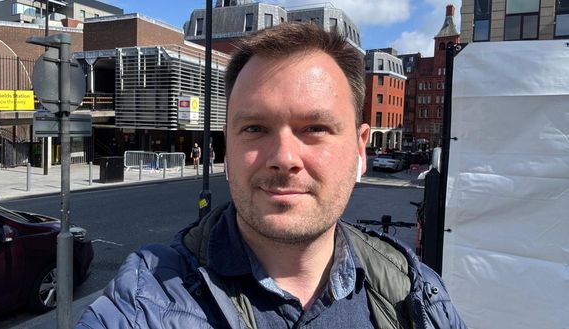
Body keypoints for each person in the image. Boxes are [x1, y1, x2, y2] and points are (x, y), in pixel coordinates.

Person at [77, 23, 466, 328]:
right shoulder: (146, 302)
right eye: (255, 128)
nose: (283, 157)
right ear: (228, 145)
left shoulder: (414, 292)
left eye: (315, 128)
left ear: (360, 149)